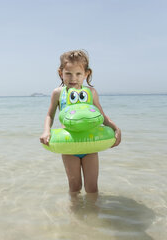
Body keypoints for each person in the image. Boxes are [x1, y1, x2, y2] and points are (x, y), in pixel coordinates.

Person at [40, 50, 121, 194]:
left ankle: (93, 215)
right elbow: (50, 115)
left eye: (78, 74)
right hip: (69, 146)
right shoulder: (58, 93)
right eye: (68, 73)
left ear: (86, 74)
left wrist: (115, 128)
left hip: (90, 145)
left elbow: (101, 116)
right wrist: (46, 131)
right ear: (61, 73)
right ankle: (74, 215)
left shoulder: (91, 92)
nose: (73, 78)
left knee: (92, 188)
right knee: (74, 186)